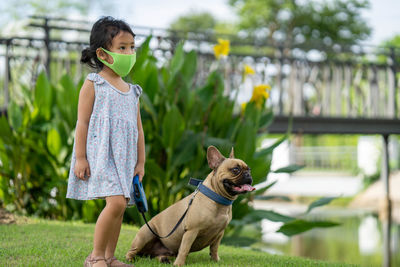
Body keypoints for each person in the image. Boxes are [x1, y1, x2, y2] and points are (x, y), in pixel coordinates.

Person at [66, 16, 145, 267]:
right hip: (102, 155)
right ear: (102, 53)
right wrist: (80, 157)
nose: (129, 53)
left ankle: (110, 258)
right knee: (115, 203)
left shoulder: (132, 91)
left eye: (132, 47)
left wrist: (140, 162)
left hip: (125, 159)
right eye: (122, 47)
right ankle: (95, 257)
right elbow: (83, 123)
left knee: (120, 207)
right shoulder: (94, 84)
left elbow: (139, 131)